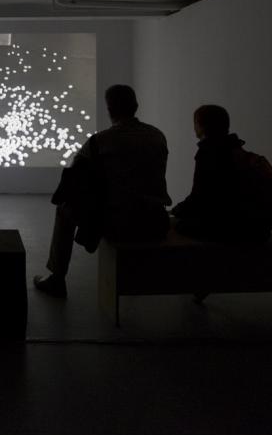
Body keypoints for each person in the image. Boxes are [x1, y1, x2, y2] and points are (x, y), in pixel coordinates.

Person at [33, 84, 172, 298]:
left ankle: (57, 278)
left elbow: (72, 177)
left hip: (119, 222)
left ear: (109, 110)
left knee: (63, 209)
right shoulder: (157, 136)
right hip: (156, 219)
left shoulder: (100, 141)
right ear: (136, 106)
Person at [171, 105, 272, 242]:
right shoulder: (236, 150)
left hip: (229, 229)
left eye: (195, 122)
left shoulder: (208, 152)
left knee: (174, 227)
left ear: (201, 125)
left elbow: (199, 197)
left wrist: (176, 210)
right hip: (257, 228)